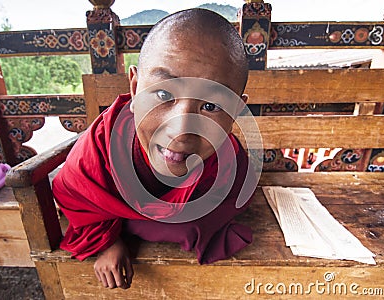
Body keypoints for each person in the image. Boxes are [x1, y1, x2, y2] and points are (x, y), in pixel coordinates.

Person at [53, 8, 256, 290]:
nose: (181, 129)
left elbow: (231, 202)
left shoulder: (229, 167)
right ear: (135, 89)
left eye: (210, 106)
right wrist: (107, 241)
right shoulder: (100, 148)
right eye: (163, 94)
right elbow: (72, 191)